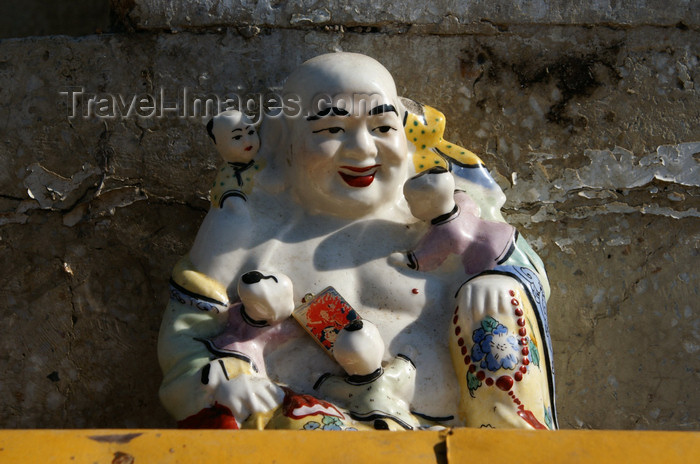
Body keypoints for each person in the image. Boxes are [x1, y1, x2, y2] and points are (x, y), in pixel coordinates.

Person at [158, 52, 557, 430]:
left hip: (455, 436)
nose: (363, 150)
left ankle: (504, 441)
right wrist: (228, 380)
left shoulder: (441, 211)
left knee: (502, 293)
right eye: (331, 129)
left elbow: (520, 266)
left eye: (383, 127)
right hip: (328, 433)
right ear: (284, 138)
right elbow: (188, 342)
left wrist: (501, 279)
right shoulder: (244, 236)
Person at [206, 110, 261, 208]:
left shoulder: (261, 160)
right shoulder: (227, 183)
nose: (247, 141)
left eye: (251, 132)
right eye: (237, 137)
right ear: (217, 144)